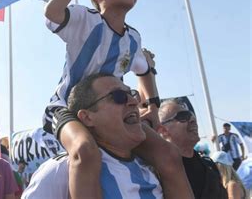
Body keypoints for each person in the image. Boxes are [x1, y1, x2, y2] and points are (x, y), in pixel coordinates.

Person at [42, 0, 159, 197]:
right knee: (85, 151)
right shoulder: (85, 20)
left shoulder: (133, 39)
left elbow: (145, 69)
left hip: (110, 114)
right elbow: (52, 12)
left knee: (168, 154)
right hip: (67, 109)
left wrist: (154, 106)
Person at [23, 73, 192, 199]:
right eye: (118, 96)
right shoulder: (61, 171)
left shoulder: (150, 168)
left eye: (131, 93)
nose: (133, 102)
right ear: (87, 117)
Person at [158, 99, 228, 199]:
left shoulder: (210, 165)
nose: (192, 119)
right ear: (163, 130)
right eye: (183, 116)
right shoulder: (158, 173)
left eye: (191, 115)